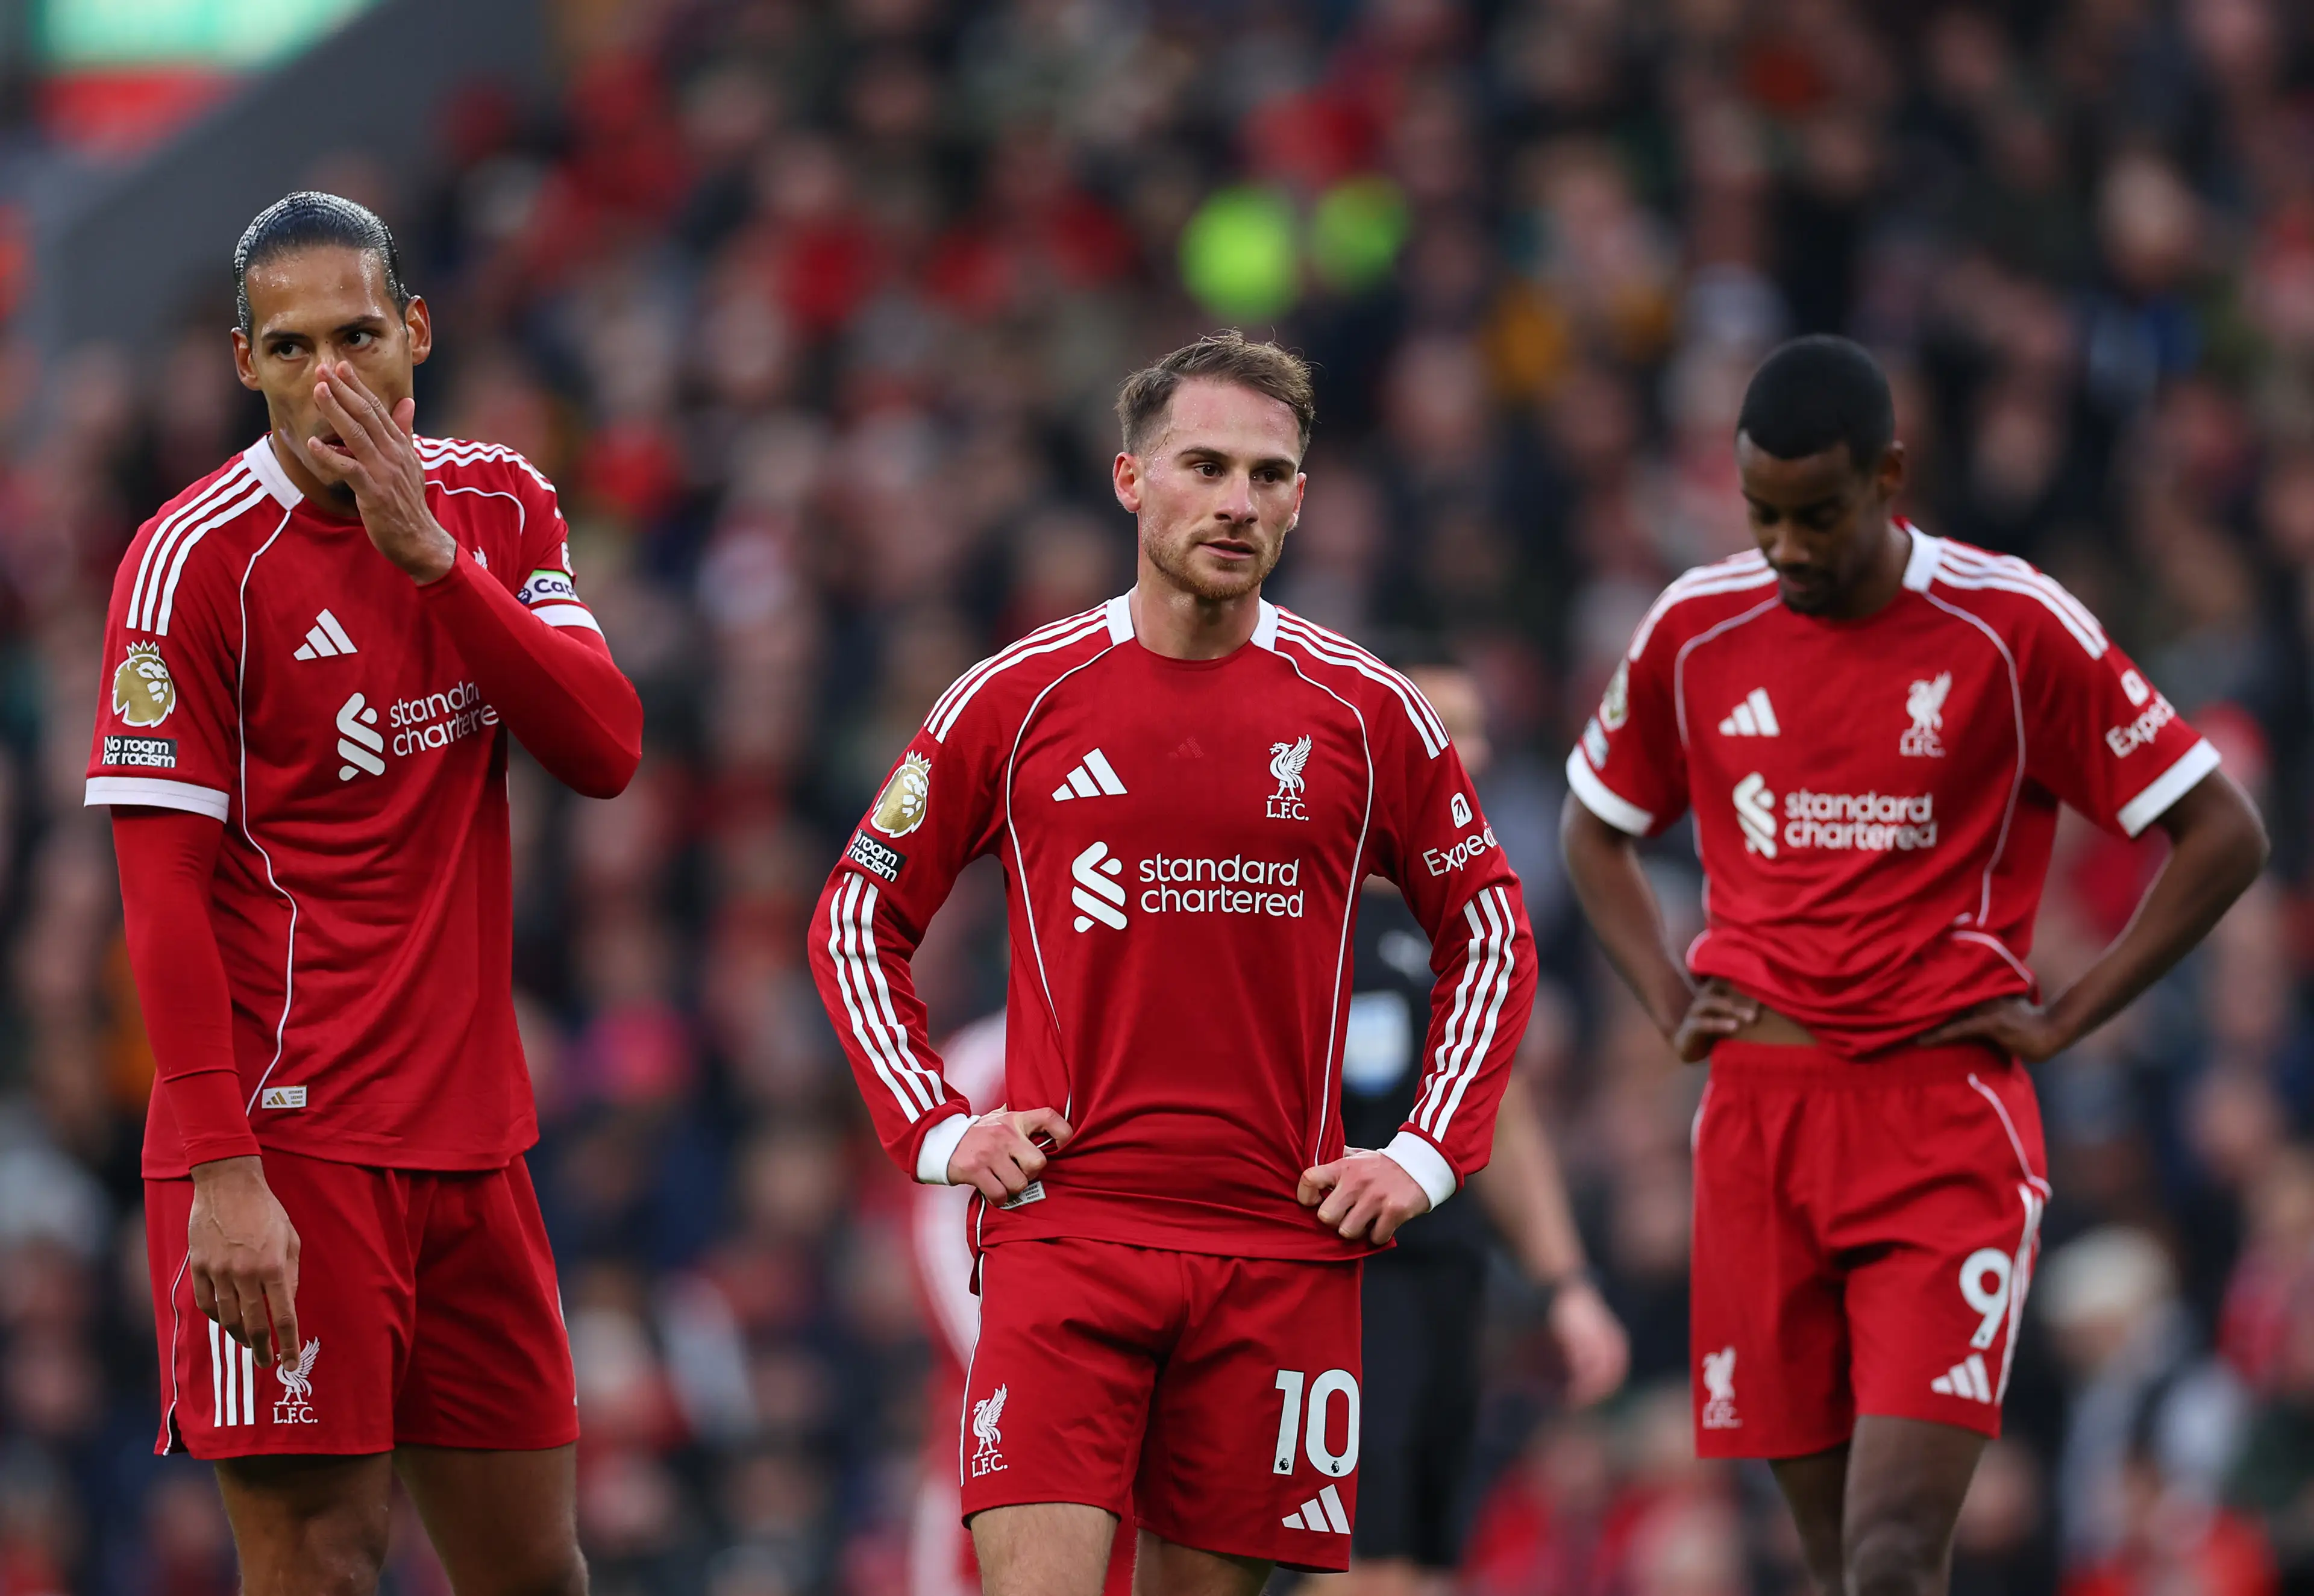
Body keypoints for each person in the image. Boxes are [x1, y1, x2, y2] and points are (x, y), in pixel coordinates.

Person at [807, 330, 1539, 1596]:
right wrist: (938, 1131)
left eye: (1269, 475)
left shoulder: (1366, 711)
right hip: (1067, 1232)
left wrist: (1425, 1153)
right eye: (1205, 465)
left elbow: (1493, 928)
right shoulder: (1016, 696)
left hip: (1280, 1252)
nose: (1237, 501)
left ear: (1302, 498)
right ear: (1132, 480)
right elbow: (855, 915)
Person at [1558, 335, 2266, 1596]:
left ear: (1891, 475)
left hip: (1941, 1128)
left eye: (1818, 516)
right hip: (1755, 1133)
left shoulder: (2010, 624)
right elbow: (1592, 827)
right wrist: (1667, 997)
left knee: (1892, 1554)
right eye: (1763, 515)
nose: (1786, 548)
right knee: (1831, 1562)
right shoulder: (1698, 626)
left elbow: (2223, 833)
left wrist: (2068, 1013)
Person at [88, 193, 642, 1595]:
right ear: (241, 362)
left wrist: (439, 570)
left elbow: (604, 747)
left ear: (417, 332)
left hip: (472, 1139)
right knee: (323, 1562)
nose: (328, 377)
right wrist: (222, 1170)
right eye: (288, 349)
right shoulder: (189, 563)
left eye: (357, 336)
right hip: (287, 1143)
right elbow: (159, 898)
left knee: (536, 1572)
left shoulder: (498, 503)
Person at [1329, 656, 1628, 1596]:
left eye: (1480, 729)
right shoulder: (1293, 915)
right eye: (1452, 727)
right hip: (1333, 1286)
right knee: (1356, 1556)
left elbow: (1503, 1111)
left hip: (1448, 1284)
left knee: (1428, 1557)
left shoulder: (1470, 921)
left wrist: (1565, 1283)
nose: (1482, 751)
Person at [908, 1013, 1137, 1596]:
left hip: (1149, 1436)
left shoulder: (1177, 1045)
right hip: (1004, 1424)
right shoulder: (988, 1059)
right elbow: (938, 1240)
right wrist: (1013, 1369)